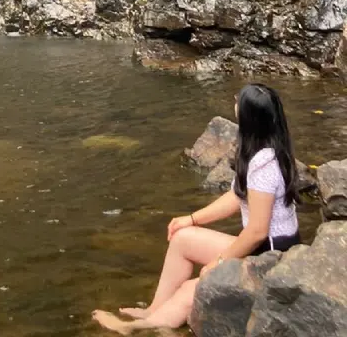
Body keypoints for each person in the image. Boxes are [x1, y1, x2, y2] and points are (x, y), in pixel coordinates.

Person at [92, 84, 301, 334]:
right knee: (181, 239)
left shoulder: (263, 165)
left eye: (238, 100)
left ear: (248, 117)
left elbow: (257, 231)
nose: (234, 101)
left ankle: (138, 328)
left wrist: (220, 262)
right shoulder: (263, 150)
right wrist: (191, 219)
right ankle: (154, 309)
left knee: (192, 288)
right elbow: (237, 198)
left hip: (269, 255)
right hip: (263, 247)